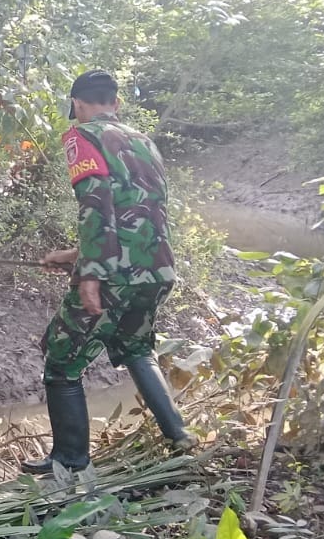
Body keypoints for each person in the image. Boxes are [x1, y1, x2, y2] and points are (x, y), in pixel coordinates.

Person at [24, 70, 196, 476]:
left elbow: (96, 204)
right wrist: (72, 256)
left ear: (78, 105)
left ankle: (69, 461)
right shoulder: (144, 142)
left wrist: (91, 275)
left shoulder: (82, 136)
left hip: (115, 274)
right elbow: (137, 213)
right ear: (116, 103)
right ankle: (181, 437)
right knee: (136, 349)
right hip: (158, 270)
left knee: (61, 362)